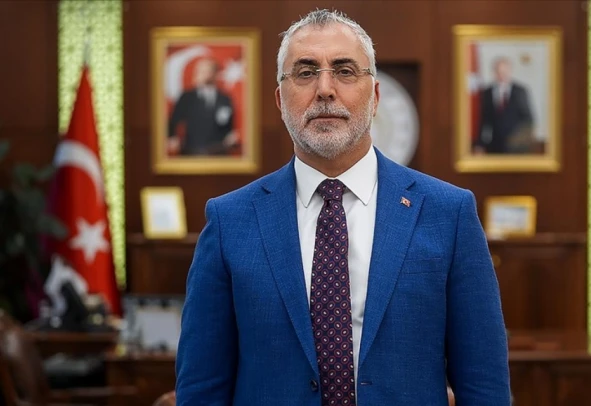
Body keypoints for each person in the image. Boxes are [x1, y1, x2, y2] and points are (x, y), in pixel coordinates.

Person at [175, 9, 510, 406]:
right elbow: (201, 388)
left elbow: (484, 386)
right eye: (305, 72)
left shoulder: (447, 214)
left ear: (375, 96)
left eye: (345, 71)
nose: (325, 89)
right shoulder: (230, 221)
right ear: (280, 100)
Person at [167, 57, 238, 156]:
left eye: (206, 71)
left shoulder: (225, 98)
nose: (200, 74)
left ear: (215, 73)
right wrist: (172, 137)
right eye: (199, 71)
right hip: (192, 151)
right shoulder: (187, 96)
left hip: (218, 151)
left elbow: (228, 124)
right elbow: (174, 120)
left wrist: (231, 135)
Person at [473, 56, 535, 154]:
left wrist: (520, 141)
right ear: (494, 72)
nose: (502, 75)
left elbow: (528, 119)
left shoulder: (520, 91)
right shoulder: (486, 92)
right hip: (494, 146)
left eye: (505, 71)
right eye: (499, 72)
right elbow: (484, 121)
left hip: (517, 147)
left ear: (510, 71)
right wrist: (480, 144)